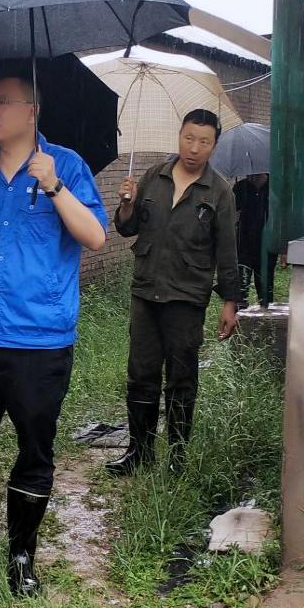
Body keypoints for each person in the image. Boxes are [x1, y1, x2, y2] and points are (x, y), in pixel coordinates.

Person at [0, 75, 107, 597]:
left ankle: (21, 558)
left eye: (3, 102)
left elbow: (96, 237)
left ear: (32, 110)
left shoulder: (67, 166)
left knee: (35, 447)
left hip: (40, 340)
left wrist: (55, 187)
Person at [107, 109, 240, 478]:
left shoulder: (220, 192)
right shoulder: (154, 176)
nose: (194, 148)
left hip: (186, 297)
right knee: (141, 374)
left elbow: (227, 251)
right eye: (189, 138)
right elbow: (127, 228)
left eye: (204, 142)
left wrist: (230, 302)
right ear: (179, 135)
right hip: (146, 292)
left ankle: (177, 457)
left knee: (181, 379)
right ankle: (139, 451)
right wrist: (127, 204)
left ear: (213, 146)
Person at [233, 172, 277, 308]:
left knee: (265, 287)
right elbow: (231, 211)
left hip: (267, 245)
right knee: (241, 287)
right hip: (244, 244)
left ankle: (266, 313)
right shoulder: (240, 187)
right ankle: (239, 314)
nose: (251, 176)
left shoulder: (274, 188)